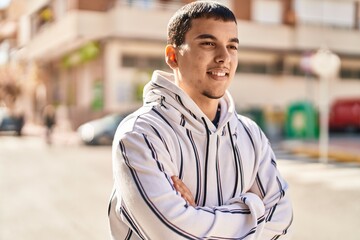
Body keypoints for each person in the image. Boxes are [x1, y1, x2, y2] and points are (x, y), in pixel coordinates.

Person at [108, 1, 293, 239]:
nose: (224, 57)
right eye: (208, 43)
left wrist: (196, 216)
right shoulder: (140, 135)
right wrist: (254, 209)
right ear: (173, 56)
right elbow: (170, 234)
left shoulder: (250, 134)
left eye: (232, 46)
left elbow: (282, 218)